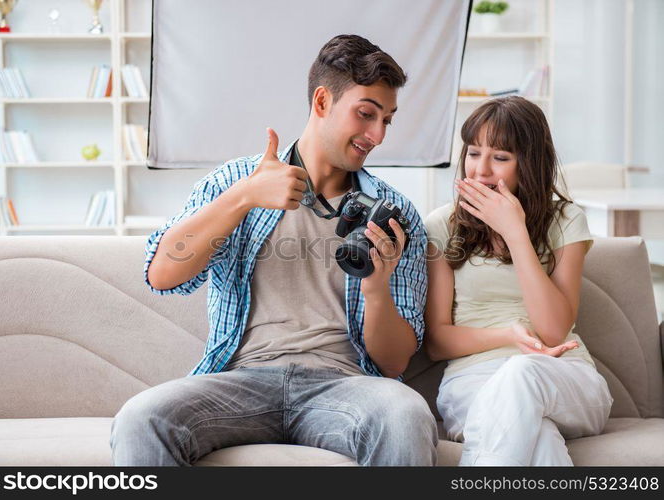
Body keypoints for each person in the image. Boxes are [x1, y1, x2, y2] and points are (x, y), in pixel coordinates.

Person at [110, 34, 437, 466]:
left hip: (343, 386)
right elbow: (161, 275)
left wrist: (376, 286)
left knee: (406, 414)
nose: (377, 135)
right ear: (322, 102)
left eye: (387, 120)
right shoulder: (237, 180)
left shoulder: (394, 216)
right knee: (141, 418)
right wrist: (242, 197)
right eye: (366, 114)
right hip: (240, 379)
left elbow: (393, 364)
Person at [423, 96, 613, 466]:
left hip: (562, 376)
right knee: (539, 439)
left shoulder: (565, 220)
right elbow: (437, 342)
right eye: (474, 153)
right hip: (472, 383)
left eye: (500, 157)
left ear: (529, 163)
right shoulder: (441, 225)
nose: (479, 170)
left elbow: (555, 331)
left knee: (522, 371)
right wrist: (510, 337)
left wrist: (515, 232)